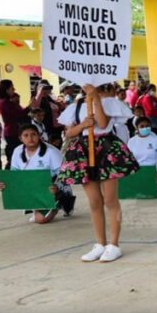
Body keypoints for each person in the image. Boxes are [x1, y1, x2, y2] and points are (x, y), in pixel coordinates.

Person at [58, 84, 140, 262]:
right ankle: (100, 243)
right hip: (84, 150)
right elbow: (70, 132)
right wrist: (83, 125)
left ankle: (114, 244)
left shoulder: (108, 103)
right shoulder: (77, 106)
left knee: (110, 200)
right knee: (94, 201)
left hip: (106, 149)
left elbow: (102, 124)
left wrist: (95, 98)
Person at [0, 123, 74, 223]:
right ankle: (36, 207)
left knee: (40, 219)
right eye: (26, 135)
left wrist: (56, 187)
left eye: (33, 134)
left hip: (51, 188)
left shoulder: (51, 152)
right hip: (31, 188)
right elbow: (15, 175)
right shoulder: (17, 151)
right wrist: (5, 184)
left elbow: (65, 174)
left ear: (39, 136)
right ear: (20, 138)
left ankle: (59, 203)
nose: (30, 138)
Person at [127, 117, 157, 192]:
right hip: (137, 170)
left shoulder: (156, 139)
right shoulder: (131, 141)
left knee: (150, 192)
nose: (145, 128)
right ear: (137, 128)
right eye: (142, 126)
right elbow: (129, 159)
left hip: (153, 169)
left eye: (147, 126)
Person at [0, 79, 30, 167]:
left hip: (15, 130)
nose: (14, 89)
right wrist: (29, 107)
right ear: (6, 90)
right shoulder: (4, 102)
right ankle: (9, 172)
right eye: (12, 88)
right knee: (15, 156)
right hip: (12, 132)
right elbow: (18, 114)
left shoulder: (8, 102)